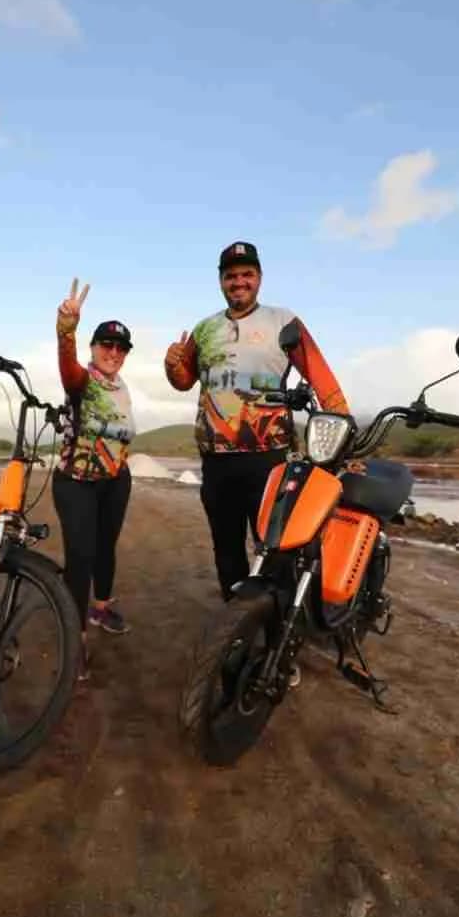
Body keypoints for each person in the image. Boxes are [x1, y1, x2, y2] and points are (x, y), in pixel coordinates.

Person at [164, 241, 350, 686]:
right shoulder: (204, 329)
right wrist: (172, 365)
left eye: (246, 273)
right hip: (218, 462)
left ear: (259, 278)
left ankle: (279, 643)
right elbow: (183, 381)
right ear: (221, 281)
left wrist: (341, 431)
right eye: (230, 275)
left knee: (277, 554)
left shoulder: (283, 322)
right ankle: (235, 636)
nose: (238, 281)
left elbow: (322, 379)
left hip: (269, 460)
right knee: (227, 552)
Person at [52, 278, 135, 678]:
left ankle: (101, 609)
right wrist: (66, 329)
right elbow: (66, 370)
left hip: (115, 482)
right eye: (107, 345)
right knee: (80, 557)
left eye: (121, 348)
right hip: (76, 483)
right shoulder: (82, 380)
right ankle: (75, 638)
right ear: (94, 347)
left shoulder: (122, 390)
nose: (114, 352)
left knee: (106, 548)